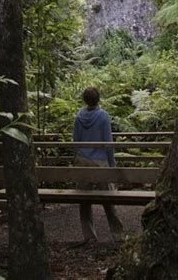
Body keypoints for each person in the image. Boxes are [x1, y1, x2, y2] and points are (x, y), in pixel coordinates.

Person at [72, 86, 124, 243]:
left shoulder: (79, 117)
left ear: (84, 100)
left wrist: (77, 158)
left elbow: (75, 141)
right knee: (108, 198)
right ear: (99, 99)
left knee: (84, 200)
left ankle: (89, 236)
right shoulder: (103, 116)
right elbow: (108, 143)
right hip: (100, 162)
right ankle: (118, 234)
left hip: (83, 162)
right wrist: (112, 165)